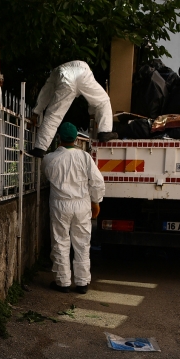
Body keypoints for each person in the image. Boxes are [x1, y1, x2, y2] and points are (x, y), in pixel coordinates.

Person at [42, 122, 105, 294]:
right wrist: (96, 202)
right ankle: (82, 282)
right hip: (82, 204)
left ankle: (62, 282)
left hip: (60, 205)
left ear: (59, 138)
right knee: (82, 243)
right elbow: (97, 182)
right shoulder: (85, 157)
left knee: (60, 242)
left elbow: (46, 177)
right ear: (77, 138)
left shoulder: (49, 158)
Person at [29, 60, 117, 158]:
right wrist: (92, 116)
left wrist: (36, 113)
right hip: (83, 72)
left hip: (64, 76)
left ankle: (40, 149)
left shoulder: (55, 73)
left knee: (54, 115)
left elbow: (45, 93)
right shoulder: (82, 69)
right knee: (103, 101)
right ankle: (105, 131)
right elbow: (93, 101)